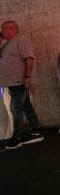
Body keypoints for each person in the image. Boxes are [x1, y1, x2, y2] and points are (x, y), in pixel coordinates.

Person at [0, 20, 43, 149]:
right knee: (25, 106)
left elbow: (29, 58)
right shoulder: (7, 44)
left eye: (3, 29)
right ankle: (35, 131)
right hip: (12, 82)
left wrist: (27, 76)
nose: (1, 31)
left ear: (11, 28)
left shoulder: (21, 39)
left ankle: (17, 137)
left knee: (16, 108)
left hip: (19, 81)